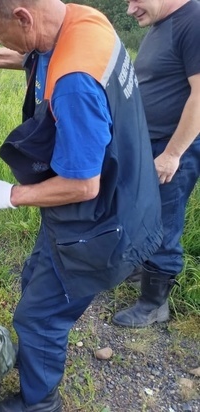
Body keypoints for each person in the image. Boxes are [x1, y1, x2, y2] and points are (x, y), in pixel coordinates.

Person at [0, 0, 163, 410]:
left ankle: (39, 404)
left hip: (99, 224)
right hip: (128, 195)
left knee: (39, 317)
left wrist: (9, 196)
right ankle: (35, 363)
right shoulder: (84, 19)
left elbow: (83, 185)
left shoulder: (74, 84)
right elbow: (44, 51)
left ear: (23, 17)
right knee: (35, 281)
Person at [112, 0, 200, 328]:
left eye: (136, 0)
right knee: (140, 211)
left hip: (175, 146)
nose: (130, 9)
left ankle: (154, 304)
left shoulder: (194, 19)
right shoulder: (163, 24)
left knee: (164, 219)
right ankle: (138, 270)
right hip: (151, 142)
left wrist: (173, 154)